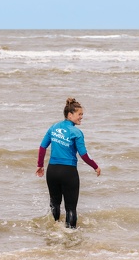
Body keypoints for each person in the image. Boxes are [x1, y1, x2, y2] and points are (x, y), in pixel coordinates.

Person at [36, 98, 101, 228]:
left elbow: (42, 147)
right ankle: (70, 237)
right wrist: (95, 166)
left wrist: (40, 165)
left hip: (52, 171)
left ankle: (55, 229)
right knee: (71, 208)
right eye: (79, 114)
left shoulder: (53, 127)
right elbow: (84, 154)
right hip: (68, 172)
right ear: (70, 115)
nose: (81, 117)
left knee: (55, 203)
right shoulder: (76, 132)